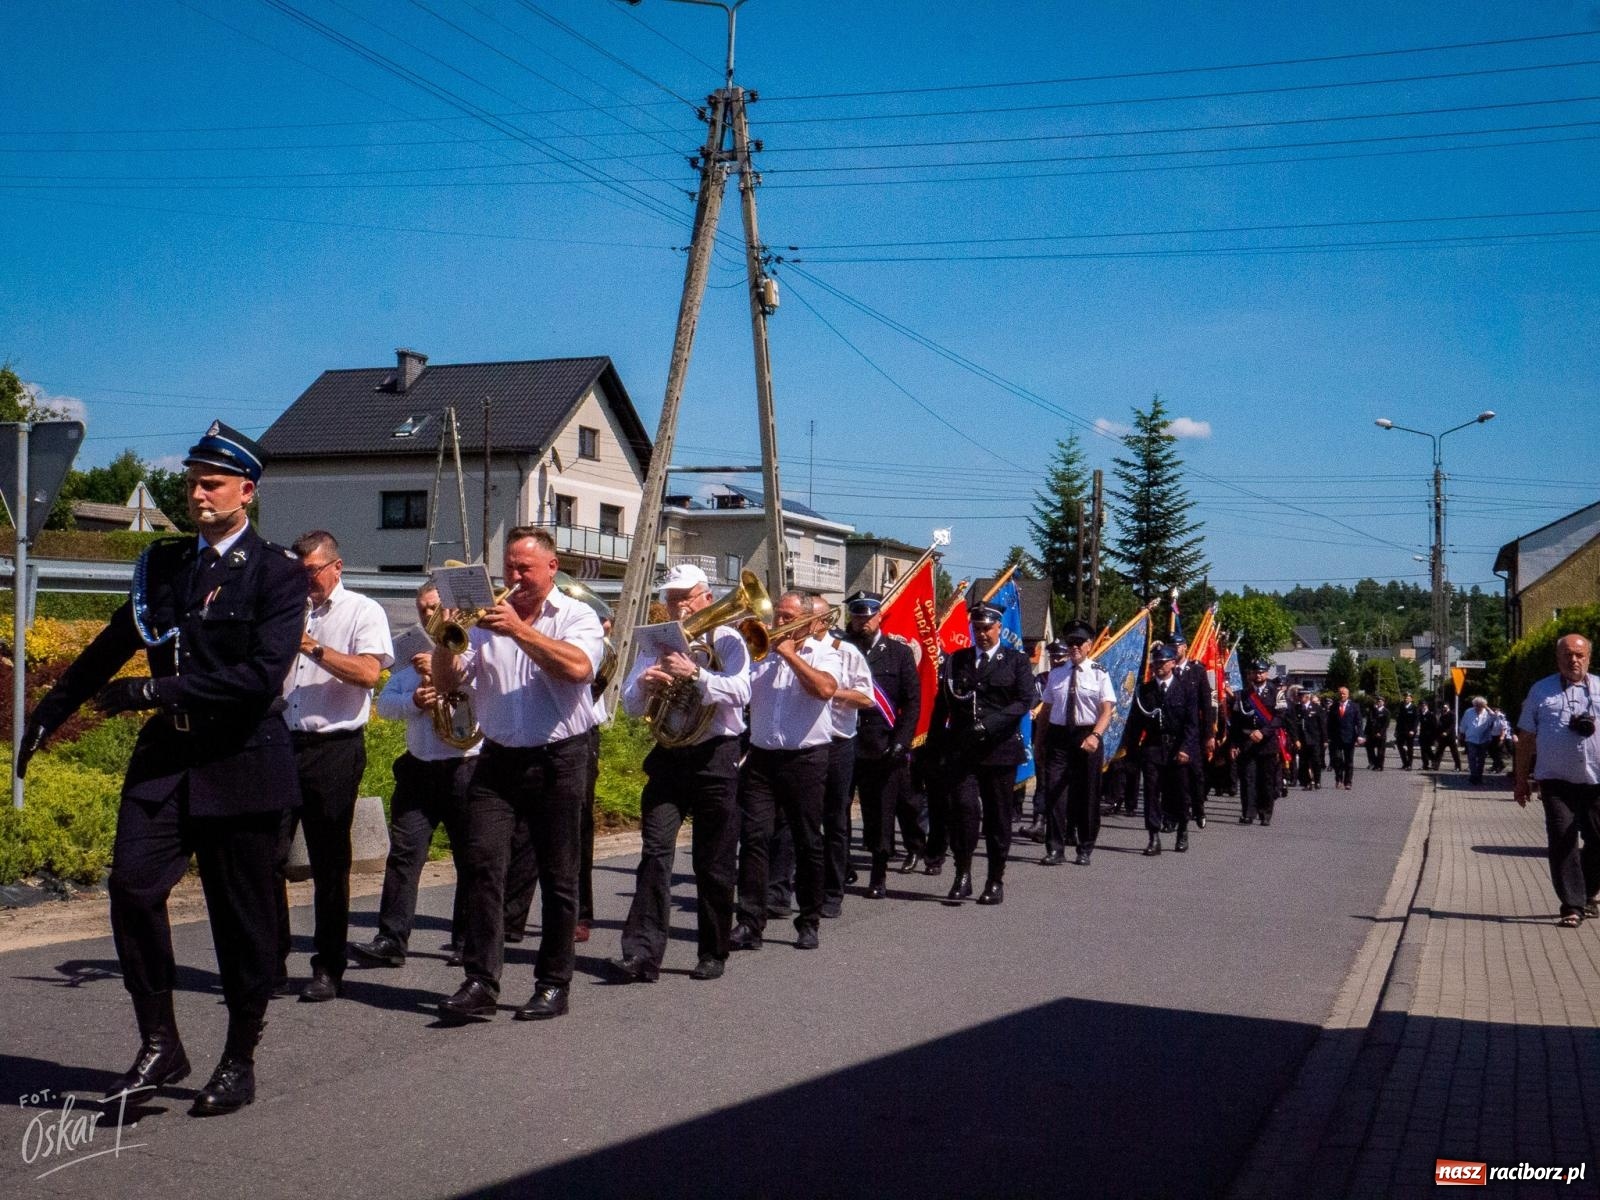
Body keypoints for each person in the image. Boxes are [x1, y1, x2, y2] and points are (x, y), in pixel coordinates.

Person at [17, 422, 306, 1116]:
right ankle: (159, 1042)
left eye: (212, 481)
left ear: (248, 491)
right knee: (132, 888)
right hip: (167, 761)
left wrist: (154, 691)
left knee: (241, 922)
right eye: (192, 480)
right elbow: (112, 646)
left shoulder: (279, 574)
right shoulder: (169, 566)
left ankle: (239, 1056)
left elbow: (261, 676)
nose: (198, 492)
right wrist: (49, 714)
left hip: (239, 760)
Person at [433, 528, 605, 1022]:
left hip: (560, 757)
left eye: (525, 568)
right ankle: (480, 980)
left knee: (558, 875)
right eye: (508, 567)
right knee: (483, 866)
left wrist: (520, 632)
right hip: (498, 758)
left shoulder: (577, 615)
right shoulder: (484, 621)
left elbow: (578, 670)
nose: (514, 577)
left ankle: (553, 983)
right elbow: (447, 685)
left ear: (552, 568)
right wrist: (446, 640)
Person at [614, 564, 751, 983]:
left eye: (684, 597)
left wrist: (697, 674)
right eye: (671, 598)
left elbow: (743, 691)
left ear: (706, 598)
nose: (677, 606)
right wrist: (647, 686)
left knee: (713, 860)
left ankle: (713, 950)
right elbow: (631, 704)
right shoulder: (657, 641)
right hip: (670, 755)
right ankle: (642, 953)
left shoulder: (727, 638)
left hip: (715, 756)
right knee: (655, 853)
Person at [275, 531, 393, 1003]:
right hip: (282, 742)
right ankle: (270, 960)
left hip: (334, 748)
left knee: (329, 863)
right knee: (266, 857)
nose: (307, 583)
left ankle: (328, 966)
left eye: (313, 573)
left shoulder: (363, 611)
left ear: (336, 567)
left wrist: (311, 646)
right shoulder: (285, 607)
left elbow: (368, 673)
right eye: (298, 574)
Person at [349, 582, 476, 970]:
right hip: (420, 766)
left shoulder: (475, 650)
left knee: (471, 858)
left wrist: (445, 674)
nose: (427, 615)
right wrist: (415, 700)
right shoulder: (411, 655)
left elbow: (486, 701)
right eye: (422, 609)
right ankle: (391, 937)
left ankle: (468, 940)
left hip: (465, 764)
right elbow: (385, 707)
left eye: (434, 607)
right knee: (404, 855)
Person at [731, 592, 843, 951]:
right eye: (778, 616)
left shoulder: (825, 653)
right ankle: (750, 922)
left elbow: (826, 689)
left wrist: (791, 655)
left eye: (788, 617)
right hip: (762, 758)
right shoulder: (759, 652)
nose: (779, 624)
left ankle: (808, 920)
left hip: (806, 760)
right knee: (754, 838)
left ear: (809, 623)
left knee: (808, 840)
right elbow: (738, 693)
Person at [928, 602, 1037, 905]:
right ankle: (962, 874)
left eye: (988, 628)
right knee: (963, 811)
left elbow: (1023, 702)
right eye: (977, 628)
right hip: (963, 750)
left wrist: (989, 726)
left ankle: (995, 878)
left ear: (999, 628)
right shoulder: (957, 660)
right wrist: (934, 746)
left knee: (998, 816)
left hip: (999, 750)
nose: (982, 633)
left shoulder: (1015, 661)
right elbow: (944, 704)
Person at [1513, 634, 1600, 928]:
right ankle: (1572, 906)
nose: (1573, 660)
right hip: (1556, 782)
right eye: (1567, 655)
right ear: (1558, 658)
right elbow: (1525, 739)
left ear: (1588, 657)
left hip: (1596, 780)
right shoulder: (1541, 691)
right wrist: (1521, 780)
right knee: (1563, 841)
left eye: (1579, 655)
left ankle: (1587, 893)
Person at [840, 590, 922, 896]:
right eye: (857, 614)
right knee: (838, 809)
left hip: (881, 744)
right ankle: (842, 865)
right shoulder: (840, 649)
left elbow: (912, 703)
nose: (862, 620)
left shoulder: (898, 653)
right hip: (845, 739)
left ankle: (878, 872)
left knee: (880, 813)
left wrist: (901, 743)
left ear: (879, 616)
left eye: (867, 614)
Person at [1037, 620, 1116, 866]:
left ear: (1089, 645)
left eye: (1079, 643)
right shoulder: (1057, 674)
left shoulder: (1100, 673)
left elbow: (1107, 709)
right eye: (1070, 643)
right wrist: (1039, 744)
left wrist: (1096, 735)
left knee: (1088, 795)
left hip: (1087, 736)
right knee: (1055, 794)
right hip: (1059, 738)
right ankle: (1055, 848)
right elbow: (1046, 711)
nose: (1074, 647)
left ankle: (1085, 846)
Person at [1126, 643, 1201, 854]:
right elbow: (1135, 724)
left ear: (1173, 663)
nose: (1158, 666)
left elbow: (1192, 723)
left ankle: (1182, 830)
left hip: (1178, 747)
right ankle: (1153, 836)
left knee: (1179, 792)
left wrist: (1186, 748)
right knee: (1151, 793)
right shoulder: (1145, 691)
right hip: (1153, 747)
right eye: (1155, 662)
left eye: (1163, 662)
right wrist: (1132, 752)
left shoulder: (1185, 689)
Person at [1229, 660, 1285, 824]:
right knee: (1248, 779)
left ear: (1266, 673)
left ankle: (1265, 813)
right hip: (1247, 743)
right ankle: (1248, 812)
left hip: (1267, 743)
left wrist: (1263, 732)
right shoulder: (1242, 695)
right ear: (1251, 675)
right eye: (1255, 672)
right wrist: (1233, 744)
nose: (1258, 675)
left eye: (1261, 672)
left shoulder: (1276, 693)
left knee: (1266, 780)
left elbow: (1279, 718)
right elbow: (1236, 722)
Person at [1171, 632, 1216, 826]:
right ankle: (1174, 813)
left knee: (1196, 774)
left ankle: (1199, 808)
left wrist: (1209, 735)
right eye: (1171, 645)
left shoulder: (1197, 671)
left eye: (1178, 645)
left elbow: (1207, 705)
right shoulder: (1166, 670)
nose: (1175, 648)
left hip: (1194, 732)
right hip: (1172, 731)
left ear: (1185, 647)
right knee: (1173, 776)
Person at [1327, 686, 1362, 790]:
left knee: (1349, 761)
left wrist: (1360, 735)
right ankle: (1338, 779)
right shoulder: (1333, 706)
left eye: (1344, 694)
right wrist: (1328, 736)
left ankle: (1348, 782)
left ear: (1348, 694)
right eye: (1340, 693)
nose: (1342, 695)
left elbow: (1359, 722)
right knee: (1337, 759)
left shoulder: (1354, 706)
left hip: (1349, 737)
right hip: (1336, 738)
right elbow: (1329, 723)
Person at [1460, 695, 1497, 785]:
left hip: (1484, 739)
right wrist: (1461, 733)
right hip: (1471, 738)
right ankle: (1473, 776)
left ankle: (1479, 776)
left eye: (1481, 706)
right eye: (1477, 705)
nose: (1478, 708)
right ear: (1474, 705)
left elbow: (1495, 717)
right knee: (1472, 758)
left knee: (1481, 759)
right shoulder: (1468, 712)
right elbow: (1464, 723)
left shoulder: (1487, 712)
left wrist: (1487, 708)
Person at [1295, 692, 1326, 790]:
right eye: (1299, 696)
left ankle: (1317, 781)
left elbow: (1322, 724)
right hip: (1302, 739)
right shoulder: (1297, 709)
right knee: (1303, 762)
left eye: (1302, 696)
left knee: (1316, 761)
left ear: (1307, 697)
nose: (1300, 698)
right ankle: (1307, 782)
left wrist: (1325, 739)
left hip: (1314, 738)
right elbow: (1294, 725)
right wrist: (1295, 739)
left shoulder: (1316, 708)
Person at [1364, 694, 1391, 770]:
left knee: (1380, 751)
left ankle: (1380, 766)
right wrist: (1365, 733)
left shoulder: (1386, 712)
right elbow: (1369, 722)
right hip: (1371, 733)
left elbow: (1386, 724)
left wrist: (1380, 732)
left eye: (1380, 701)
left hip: (1380, 734)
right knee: (1369, 749)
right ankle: (1374, 763)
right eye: (1377, 701)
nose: (1378, 702)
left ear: (1383, 702)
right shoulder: (1373, 710)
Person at [1393, 692, 1419, 770]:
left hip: (1410, 731)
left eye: (1408, 698)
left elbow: (1416, 721)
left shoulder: (1414, 708)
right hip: (1401, 730)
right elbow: (1399, 720)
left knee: (1410, 748)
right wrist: (1396, 730)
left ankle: (1409, 764)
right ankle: (1405, 763)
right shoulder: (1401, 707)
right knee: (1400, 746)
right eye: (1405, 698)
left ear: (1411, 699)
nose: (1406, 699)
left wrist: (1413, 730)